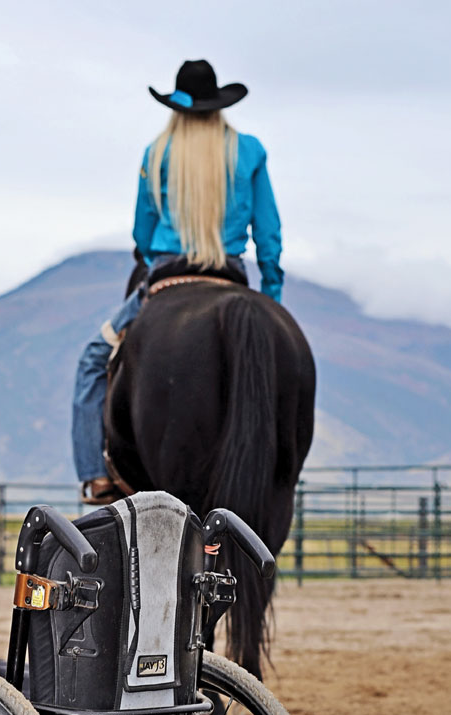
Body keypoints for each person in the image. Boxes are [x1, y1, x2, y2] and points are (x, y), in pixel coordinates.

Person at [72, 59, 284, 505]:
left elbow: (142, 234)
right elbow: (268, 237)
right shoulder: (249, 151)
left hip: (168, 275)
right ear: (218, 106)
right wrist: (273, 300)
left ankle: (96, 477)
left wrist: (154, 264)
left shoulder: (158, 152)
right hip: (231, 273)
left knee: (94, 360)